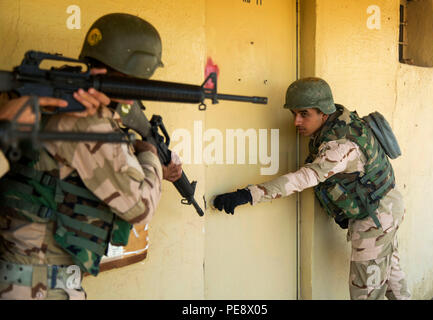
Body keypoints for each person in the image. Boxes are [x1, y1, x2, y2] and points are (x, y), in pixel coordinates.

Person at [0, 13, 181, 300]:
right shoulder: (87, 120)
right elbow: (140, 206)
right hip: (42, 287)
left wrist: (131, 140)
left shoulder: (50, 97)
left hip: (23, 277)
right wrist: (152, 160)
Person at [213, 77, 411, 300]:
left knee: (366, 293)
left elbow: (305, 177)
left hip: (375, 218)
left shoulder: (340, 145)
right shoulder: (342, 122)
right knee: (393, 281)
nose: (296, 121)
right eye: (294, 113)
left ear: (324, 113)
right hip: (387, 206)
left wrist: (248, 194)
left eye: (304, 114)